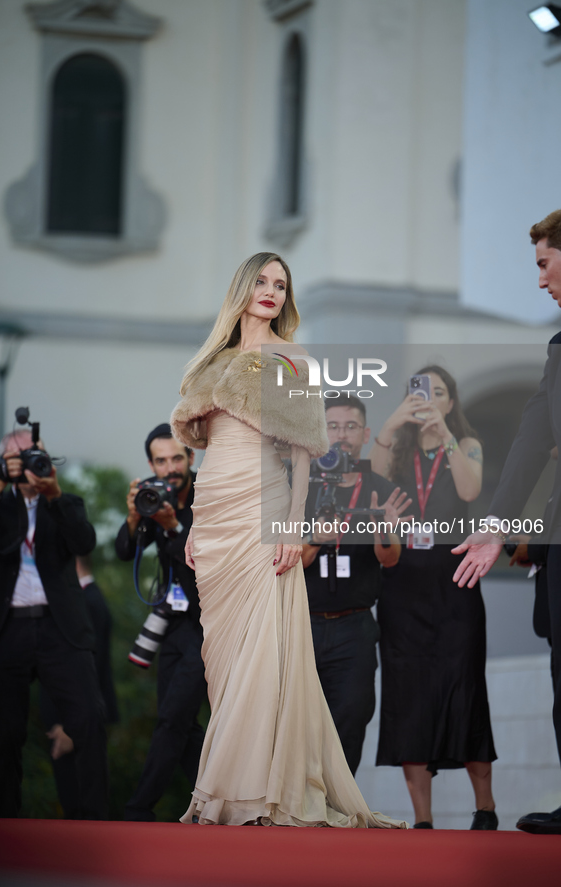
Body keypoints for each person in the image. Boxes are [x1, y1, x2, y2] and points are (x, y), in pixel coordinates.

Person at [171, 251, 408, 828]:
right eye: (263, 281)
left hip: (266, 506)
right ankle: (227, 786)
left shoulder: (292, 358)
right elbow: (199, 442)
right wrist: (197, 524)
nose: (273, 292)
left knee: (263, 650)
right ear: (243, 288)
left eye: (282, 284)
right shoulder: (214, 362)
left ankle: (256, 792)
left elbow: (304, 451)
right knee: (221, 659)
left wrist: (295, 524)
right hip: (215, 509)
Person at [453, 210, 561, 833]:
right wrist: (496, 526)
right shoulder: (558, 349)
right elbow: (528, 442)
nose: (540, 281)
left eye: (544, 264)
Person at [369, 366, 497, 829]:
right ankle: (423, 820)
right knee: (408, 696)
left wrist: (444, 435)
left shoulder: (466, 444)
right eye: (419, 392)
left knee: (465, 690)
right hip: (403, 588)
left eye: (438, 392)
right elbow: (373, 484)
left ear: (450, 401)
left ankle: (485, 808)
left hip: (455, 585)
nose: (429, 399)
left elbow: (470, 488)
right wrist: (391, 424)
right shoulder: (396, 451)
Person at [0, 429, 107, 819]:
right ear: (2, 464)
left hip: (58, 628)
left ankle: (96, 823)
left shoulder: (64, 502)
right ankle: (4, 827)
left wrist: (54, 494)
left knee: (89, 719)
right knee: (3, 735)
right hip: (3, 629)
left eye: (35, 457)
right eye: (17, 459)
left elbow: (84, 543)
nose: (28, 466)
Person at [301, 395, 410, 774]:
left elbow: (391, 558)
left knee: (352, 716)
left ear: (365, 434)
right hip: (303, 624)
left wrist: (383, 530)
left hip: (356, 626)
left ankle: (337, 811)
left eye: (350, 427)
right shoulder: (301, 487)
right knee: (297, 721)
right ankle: (297, 808)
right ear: (320, 432)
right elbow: (284, 561)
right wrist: (315, 538)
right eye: (332, 426)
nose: (341, 435)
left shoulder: (380, 487)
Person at [116, 423, 206, 822]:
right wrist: (137, 516)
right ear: (150, 463)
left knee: (174, 716)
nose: (169, 468)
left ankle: (139, 807)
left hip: (209, 624)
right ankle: (219, 799)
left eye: (176, 458)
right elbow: (122, 550)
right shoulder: (155, 497)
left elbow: (199, 572)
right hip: (174, 622)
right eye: (160, 460)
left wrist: (173, 526)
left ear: (190, 457)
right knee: (179, 721)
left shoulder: (211, 494)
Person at [39, 554, 119, 818]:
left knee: (79, 801)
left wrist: (70, 726)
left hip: (75, 721)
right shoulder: (89, 600)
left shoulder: (88, 602)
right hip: (73, 718)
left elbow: (91, 668)